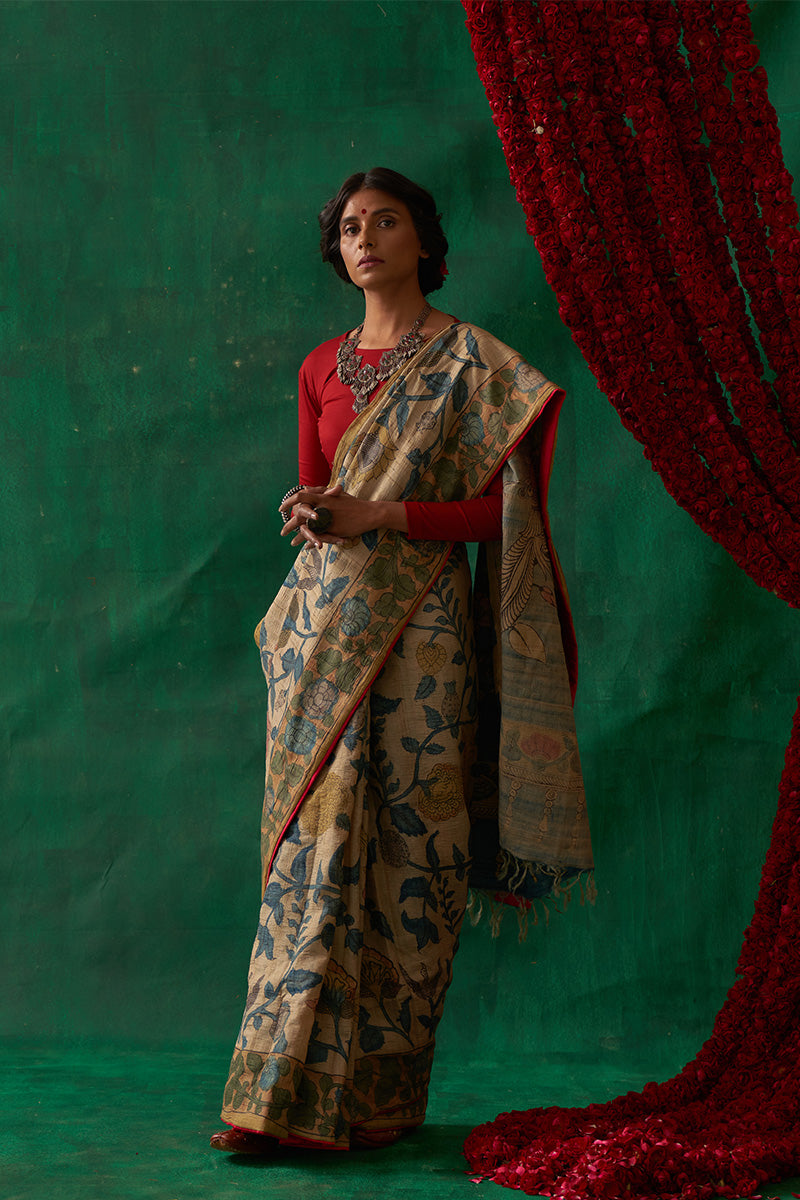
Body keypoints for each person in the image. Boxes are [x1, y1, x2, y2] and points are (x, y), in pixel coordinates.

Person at [210, 168, 592, 1156]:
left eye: (386, 222)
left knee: (413, 847)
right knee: (311, 854)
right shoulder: (318, 367)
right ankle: (276, 1101)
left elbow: (501, 516)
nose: (365, 239)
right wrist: (308, 511)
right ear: (335, 251)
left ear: (423, 240)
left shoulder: (473, 363)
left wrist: (379, 513)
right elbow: (315, 491)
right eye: (349, 227)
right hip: (322, 636)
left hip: (425, 631)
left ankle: (377, 1099)